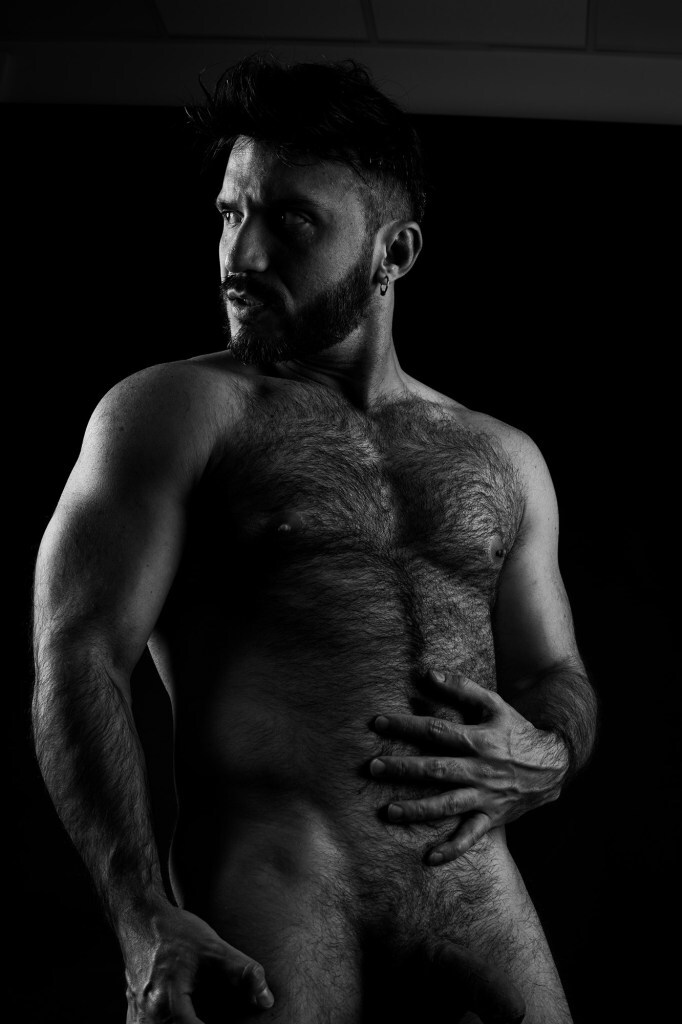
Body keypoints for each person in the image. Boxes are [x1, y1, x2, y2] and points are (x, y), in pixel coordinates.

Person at [32, 56, 597, 1024]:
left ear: (394, 252)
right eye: (229, 213)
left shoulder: (504, 457)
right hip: (279, 881)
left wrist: (550, 751)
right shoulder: (175, 411)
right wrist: (139, 915)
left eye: (290, 220)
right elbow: (78, 650)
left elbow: (554, 671)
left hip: (472, 889)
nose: (240, 254)